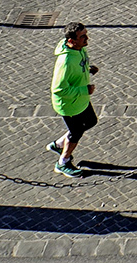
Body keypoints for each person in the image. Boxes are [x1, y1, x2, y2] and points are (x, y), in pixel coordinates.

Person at [48, 22, 99, 178]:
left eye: (86, 34)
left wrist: (88, 68)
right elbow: (59, 89)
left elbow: (79, 62)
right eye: (82, 36)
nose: (86, 38)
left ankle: (59, 145)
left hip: (80, 101)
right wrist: (85, 90)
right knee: (76, 133)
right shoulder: (65, 62)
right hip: (69, 105)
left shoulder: (78, 49)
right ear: (71, 41)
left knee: (91, 122)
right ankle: (63, 162)